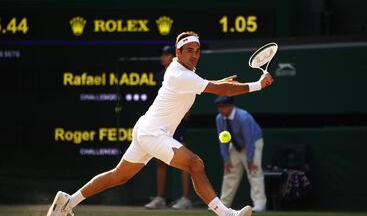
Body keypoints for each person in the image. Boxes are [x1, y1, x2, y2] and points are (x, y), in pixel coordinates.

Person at [46, 31, 273, 216]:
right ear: (178, 52)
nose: (194, 55)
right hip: (154, 133)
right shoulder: (180, 75)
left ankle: (68, 201)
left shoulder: (181, 70)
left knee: (119, 176)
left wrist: (216, 83)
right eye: (189, 51)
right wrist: (257, 85)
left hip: (145, 129)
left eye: (198, 51)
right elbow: (220, 90)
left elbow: (209, 85)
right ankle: (226, 214)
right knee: (195, 164)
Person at [144, 45, 192, 210]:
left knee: (184, 162)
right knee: (160, 161)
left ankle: (185, 199)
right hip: (161, 124)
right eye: (162, 54)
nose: (163, 57)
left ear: (174, 57)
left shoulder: (181, 74)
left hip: (177, 123)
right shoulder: (159, 76)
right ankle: (160, 198)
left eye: (166, 54)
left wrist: (185, 112)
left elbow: (187, 94)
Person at [214, 96, 267, 212]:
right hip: (236, 145)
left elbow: (249, 139)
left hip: (253, 143)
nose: (221, 109)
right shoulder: (219, 119)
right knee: (230, 172)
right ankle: (223, 205)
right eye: (219, 107)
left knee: (254, 172)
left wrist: (250, 159)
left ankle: (259, 204)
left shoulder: (243, 117)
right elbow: (222, 140)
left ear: (231, 106)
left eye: (223, 106)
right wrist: (226, 159)